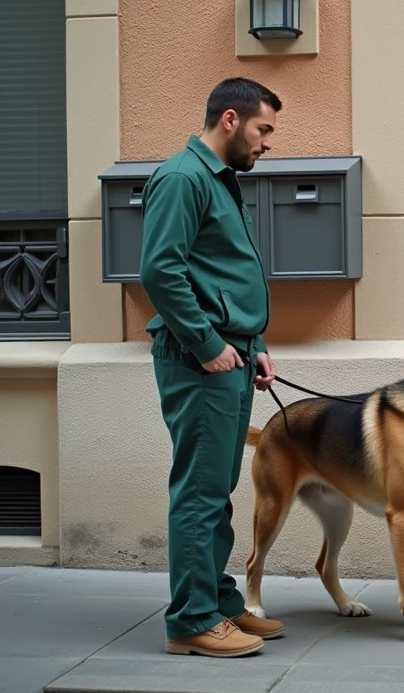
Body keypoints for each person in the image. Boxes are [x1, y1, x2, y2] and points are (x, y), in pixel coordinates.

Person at [140, 77, 286, 658]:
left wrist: (257, 342)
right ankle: (192, 620)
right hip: (200, 361)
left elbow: (221, 272)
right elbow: (161, 271)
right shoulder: (182, 177)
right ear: (231, 119)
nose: (268, 142)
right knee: (200, 492)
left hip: (232, 354)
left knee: (217, 490)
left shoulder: (218, 180)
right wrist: (205, 343)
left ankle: (219, 600)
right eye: (263, 129)